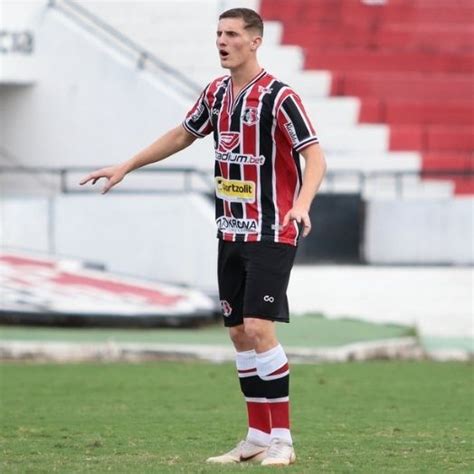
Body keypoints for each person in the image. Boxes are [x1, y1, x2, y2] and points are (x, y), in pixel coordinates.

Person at [80, 7, 326, 467]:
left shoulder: (279, 97)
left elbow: (314, 156)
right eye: (218, 33)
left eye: (231, 33)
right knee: (237, 334)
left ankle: (283, 441)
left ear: (255, 41)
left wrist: (303, 202)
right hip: (229, 230)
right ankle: (255, 436)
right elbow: (182, 135)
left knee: (259, 328)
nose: (221, 40)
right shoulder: (215, 93)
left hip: (272, 229)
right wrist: (125, 165)